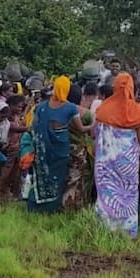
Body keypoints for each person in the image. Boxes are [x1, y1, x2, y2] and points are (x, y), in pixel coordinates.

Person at [95, 73, 140, 238]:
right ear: (131, 88)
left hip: (105, 164)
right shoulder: (137, 111)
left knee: (107, 193)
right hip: (128, 163)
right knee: (127, 196)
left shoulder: (103, 109)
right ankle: (127, 231)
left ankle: (105, 229)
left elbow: (96, 135)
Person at [27, 76, 89, 213]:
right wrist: (94, 124)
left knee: (42, 176)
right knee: (57, 178)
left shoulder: (41, 107)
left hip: (43, 149)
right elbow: (81, 129)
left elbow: (33, 127)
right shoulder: (70, 108)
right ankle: (52, 207)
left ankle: (36, 206)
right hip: (61, 149)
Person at [63, 85, 95, 209]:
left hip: (63, 147)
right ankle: (76, 204)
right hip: (79, 149)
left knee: (66, 177)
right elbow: (92, 134)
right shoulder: (85, 114)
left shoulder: (60, 110)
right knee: (80, 179)